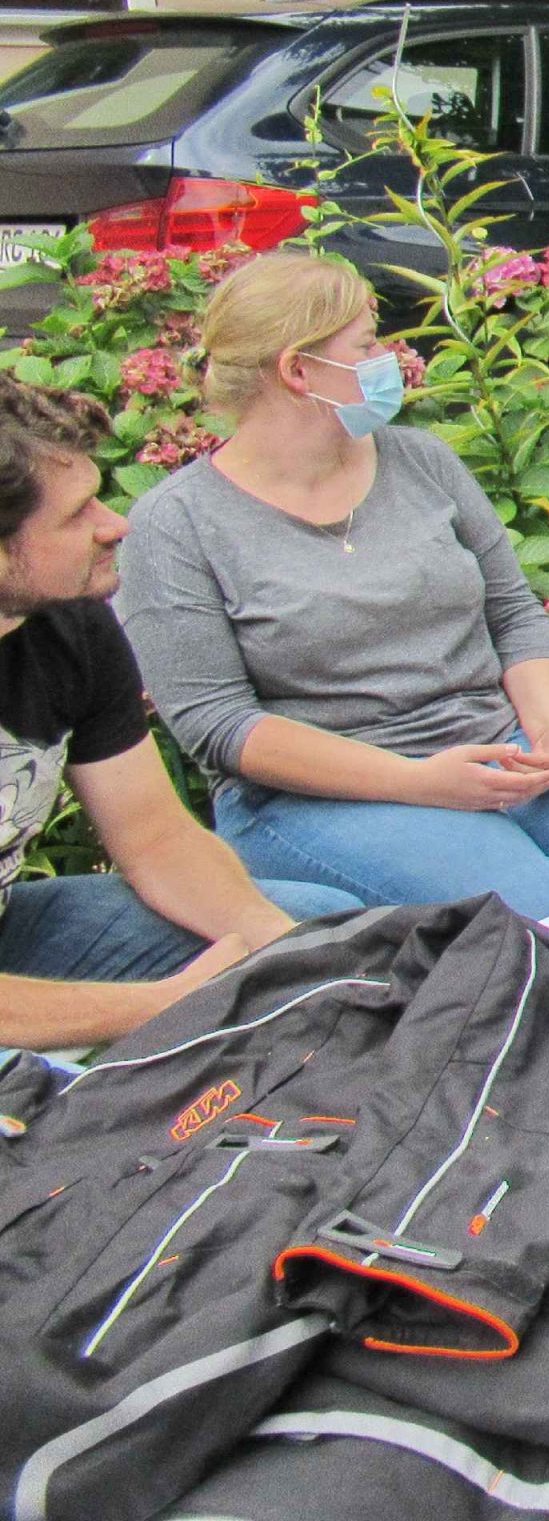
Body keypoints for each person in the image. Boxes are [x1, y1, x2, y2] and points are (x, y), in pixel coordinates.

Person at [115, 252, 549, 914]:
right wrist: (419, 782)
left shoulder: (422, 462)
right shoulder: (176, 525)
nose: (388, 360)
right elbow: (219, 725)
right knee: (542, 927)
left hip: (503, 748)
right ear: (298, 371)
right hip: (324, 796)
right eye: (366, 346)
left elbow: (513, 614)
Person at [0, 373, 361, 1052]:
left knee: (318, 929)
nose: (115, 524)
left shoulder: (70, 624)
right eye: (76, 516)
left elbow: (155, 840)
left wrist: (283, 951)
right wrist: (162, 1005)